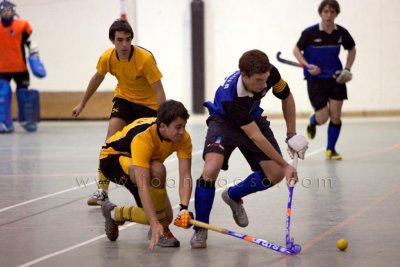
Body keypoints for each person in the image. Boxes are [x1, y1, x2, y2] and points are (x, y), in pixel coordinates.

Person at [189, 49, 308, 248]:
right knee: (211, 169)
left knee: (276, 174)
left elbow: (286, 97)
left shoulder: (270, 73)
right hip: (224, 122)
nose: (263, 85)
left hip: (252, 117)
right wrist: (287, 165)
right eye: (258, 81)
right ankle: (201, 228)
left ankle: (233, 195)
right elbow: (255, 136)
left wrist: (291, 134)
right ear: (244, 76)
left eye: (265, 80)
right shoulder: (231, 98)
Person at [72, 19, 166, 205]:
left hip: (148, 106)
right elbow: (97, 78)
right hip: (124, 100)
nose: (124, 44)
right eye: (120, 40)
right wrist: (82, 104)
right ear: (112, 41)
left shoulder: (145, 59)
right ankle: (102, 190)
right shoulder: (107, 57)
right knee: (110, 140)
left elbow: (159, 91)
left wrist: (162, 117)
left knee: (144, 148)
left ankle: (148, 189)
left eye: (128, 39)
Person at [99, 99, 193, 250]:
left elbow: (185, 176)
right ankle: (161, 229)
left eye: (184, 126)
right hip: (112, 160)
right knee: (158, 170)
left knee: (166, 217)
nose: (182, 131)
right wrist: (155, 222)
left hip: (141, 165)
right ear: (162, 126)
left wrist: (184, 208)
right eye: (178, 127)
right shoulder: (143, 137)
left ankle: (113, 213)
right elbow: (143, 184)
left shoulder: (183, 138)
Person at [293, 0, 356, 160]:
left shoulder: (341, 32)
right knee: (323, 117)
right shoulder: (310, 33)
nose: (328, 15)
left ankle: (331, 149)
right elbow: (296, 50)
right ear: (321, 13)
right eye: (326, 12)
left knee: (335, 115)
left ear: (336, 14)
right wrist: (307, 66)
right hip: (315, 80)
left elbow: (352, 49)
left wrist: (347, 69)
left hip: (336, 78)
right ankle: (313, 122)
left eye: (332, 12)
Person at [0, 0, 44, 133]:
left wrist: (35, 57)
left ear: (14, 11)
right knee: (2, 95)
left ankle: (28, 120)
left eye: (9, 10)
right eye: (4, 10)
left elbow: (31, 43)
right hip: (2, 69)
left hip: (20, 68)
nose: (7, 13)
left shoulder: (22, 26)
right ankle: (4, 123)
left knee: (24, 95)